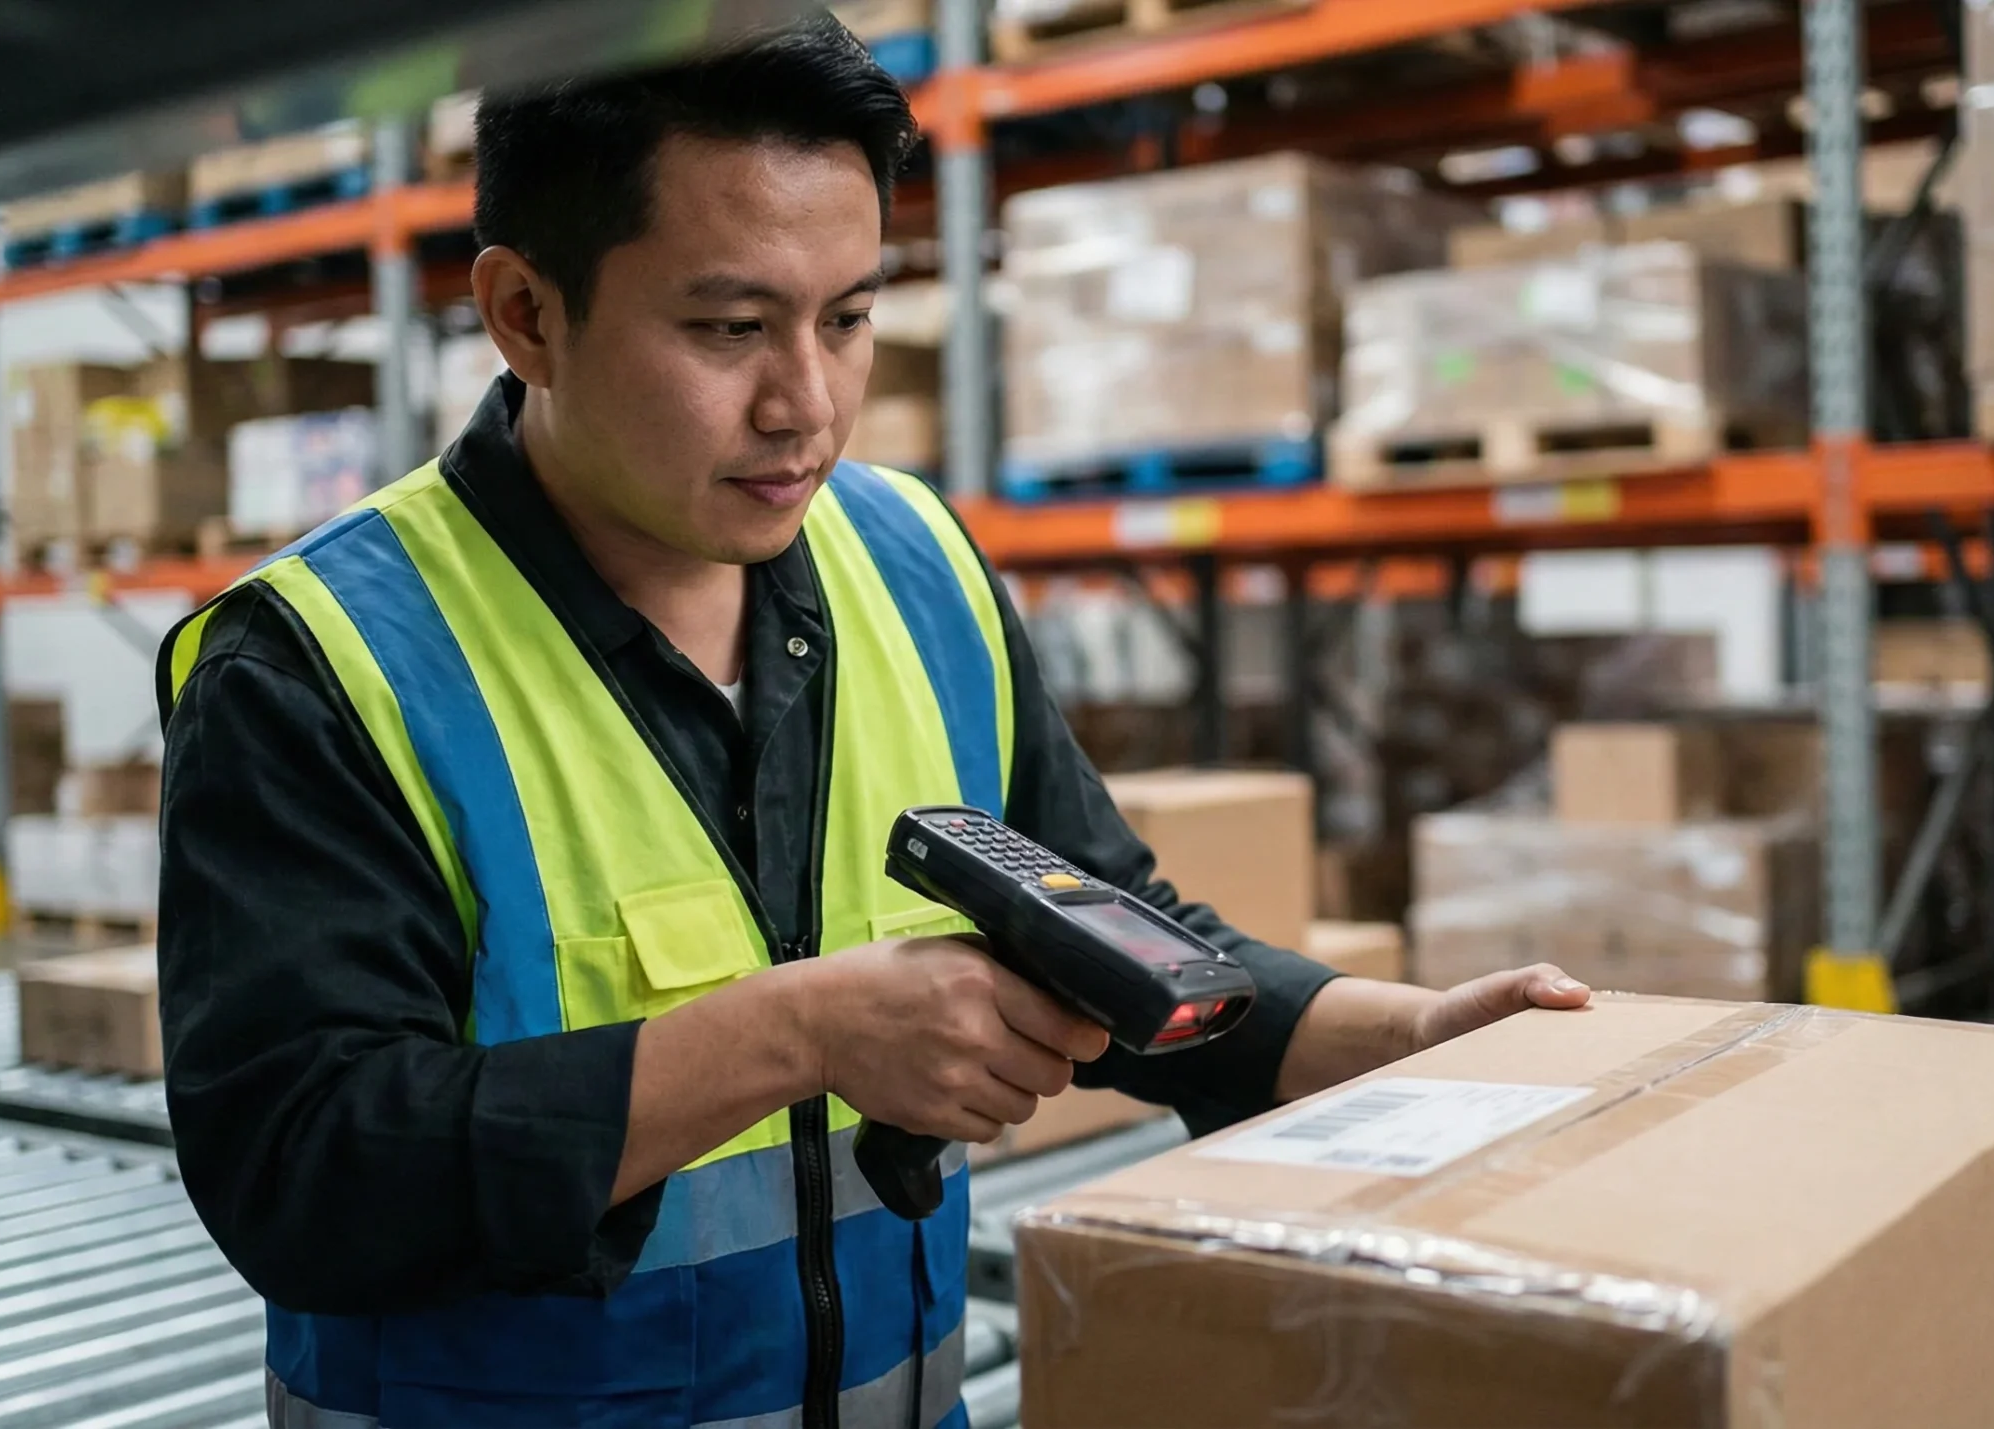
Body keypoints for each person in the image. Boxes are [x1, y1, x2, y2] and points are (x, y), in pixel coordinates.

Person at [153, 15, 1590, 1429]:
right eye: (729, 329)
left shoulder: (911, 564)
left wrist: (1403, 1035)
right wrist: (798, 1036)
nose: (810, 405)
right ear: (527, 312)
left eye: (848, 318)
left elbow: (1110, 921)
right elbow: (308, 1173)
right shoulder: (322, 664)